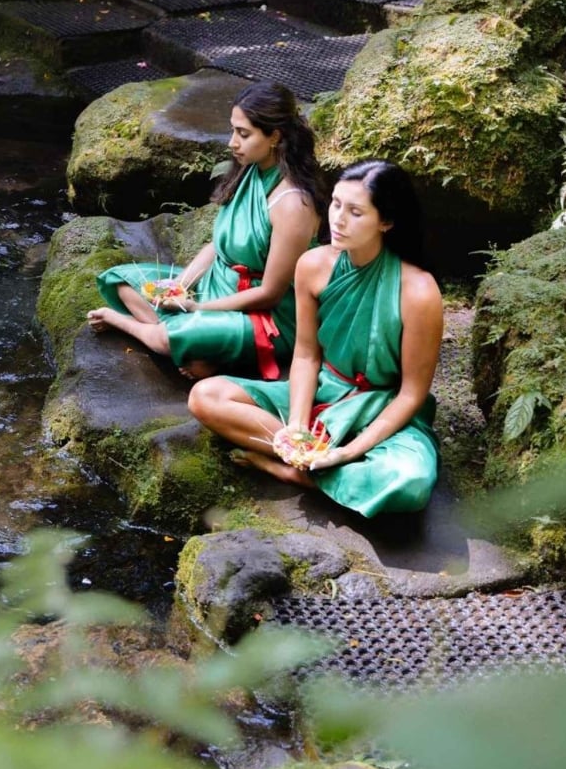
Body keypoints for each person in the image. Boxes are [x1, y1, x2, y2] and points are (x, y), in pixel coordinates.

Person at [186, 159, 442, 516]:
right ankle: (316, 464)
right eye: (336, 204)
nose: (337, 219)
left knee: (409, 484)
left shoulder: (419, 291)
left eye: (355, 212)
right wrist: (296, 427)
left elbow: (412, 393)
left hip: (382, 408)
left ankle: (304, 473)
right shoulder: (313, 265)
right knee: (205, 397)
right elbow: (306, 356)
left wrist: (350, 451)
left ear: (386, 221)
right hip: (324, 391)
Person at [86, 81, 323, 380]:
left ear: (275, 136)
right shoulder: (251, 169)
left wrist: (198, 307)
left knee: (170, 337)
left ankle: (133, 326)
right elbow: (218, 245)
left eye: (244, 134)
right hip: (217, 284)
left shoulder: (293, 204)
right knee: (121, 280)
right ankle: (202, 352)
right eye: (233, 130)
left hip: (263, 315)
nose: (232, 142)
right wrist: (179, 285)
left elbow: (270, 293)